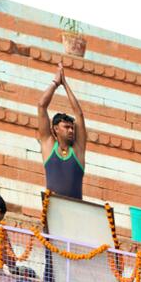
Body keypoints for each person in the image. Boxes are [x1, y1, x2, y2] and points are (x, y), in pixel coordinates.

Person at [37, 61, 87, 200]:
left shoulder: (78, 149)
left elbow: (79, 115)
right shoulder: (48, 144)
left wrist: (65, 84)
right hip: (52, 211)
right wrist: (55, 83)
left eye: (72, 127)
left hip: (75, 211)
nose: (71, 130)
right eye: (66, 127)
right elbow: (41, 106)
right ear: (56, 129)